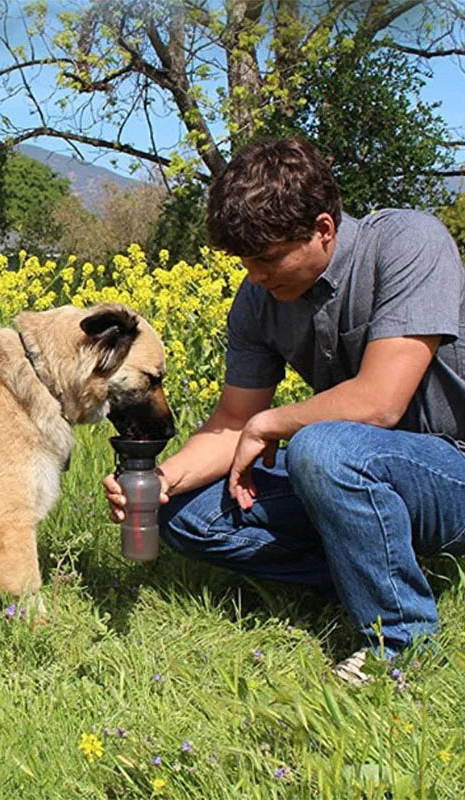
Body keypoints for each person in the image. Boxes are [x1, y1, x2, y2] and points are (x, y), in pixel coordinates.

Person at [103, 137, 465, 683]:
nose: (255, 276)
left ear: (323, 229)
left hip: (451, 469)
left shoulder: (408, 243)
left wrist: (271, 422)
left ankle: (401, 644)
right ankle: (364, 571)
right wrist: (159, 480)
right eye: (245, 261)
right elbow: (231, 422)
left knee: (323, 447)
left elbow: (380, 402)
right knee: (182, 516)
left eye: (268, 258)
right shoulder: (258, 300)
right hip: (357, 472)